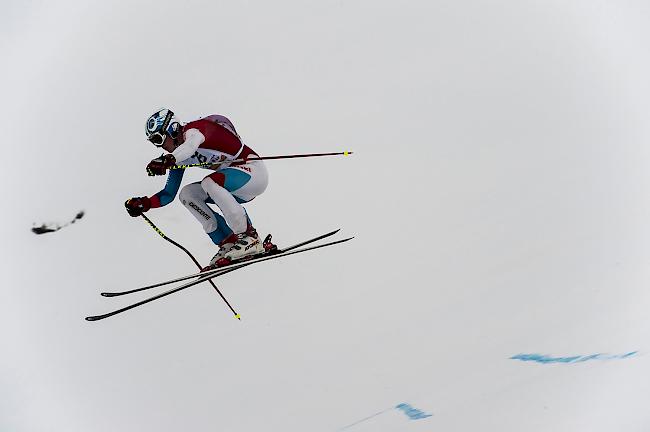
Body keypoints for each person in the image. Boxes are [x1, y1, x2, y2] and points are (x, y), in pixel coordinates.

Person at [125, 108, 269, 268]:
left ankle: (249, 238)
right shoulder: (178, 158)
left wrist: (168, 160)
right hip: (234, 187)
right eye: (154, 142)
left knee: (209, 182)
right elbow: (168, 194)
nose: (160, 147)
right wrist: (145, 203)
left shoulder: (195, 130)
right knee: (187, 194)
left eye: (159, 139)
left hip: (253, 173)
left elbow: (191, 146)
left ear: (172, 129)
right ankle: (227, 241)